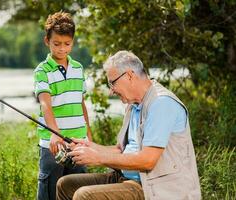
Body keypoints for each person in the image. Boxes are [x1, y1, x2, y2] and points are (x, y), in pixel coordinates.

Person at [56, 50, 201, 200]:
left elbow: (148, 160)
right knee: (66, 184)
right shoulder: (133, 105)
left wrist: (98, 158)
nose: (111, 91)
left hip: (155, 188)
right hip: (129, 179)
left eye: (113, 83)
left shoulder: (161, 103)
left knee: (84, 195)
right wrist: (89, 147)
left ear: (130, 75)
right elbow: (121, 150)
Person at [33, 11, 92, 200]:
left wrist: (88, 133)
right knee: (50, 191)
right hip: (53, 145)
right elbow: (45, 103)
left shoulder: (78, 68)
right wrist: (53, 133)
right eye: (56, 44)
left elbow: (80, 102)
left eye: (67, 44)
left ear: (73, 42)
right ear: (47, 41)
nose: (61, 49)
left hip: (78, 142)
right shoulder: (42, 70)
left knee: (79, 190)